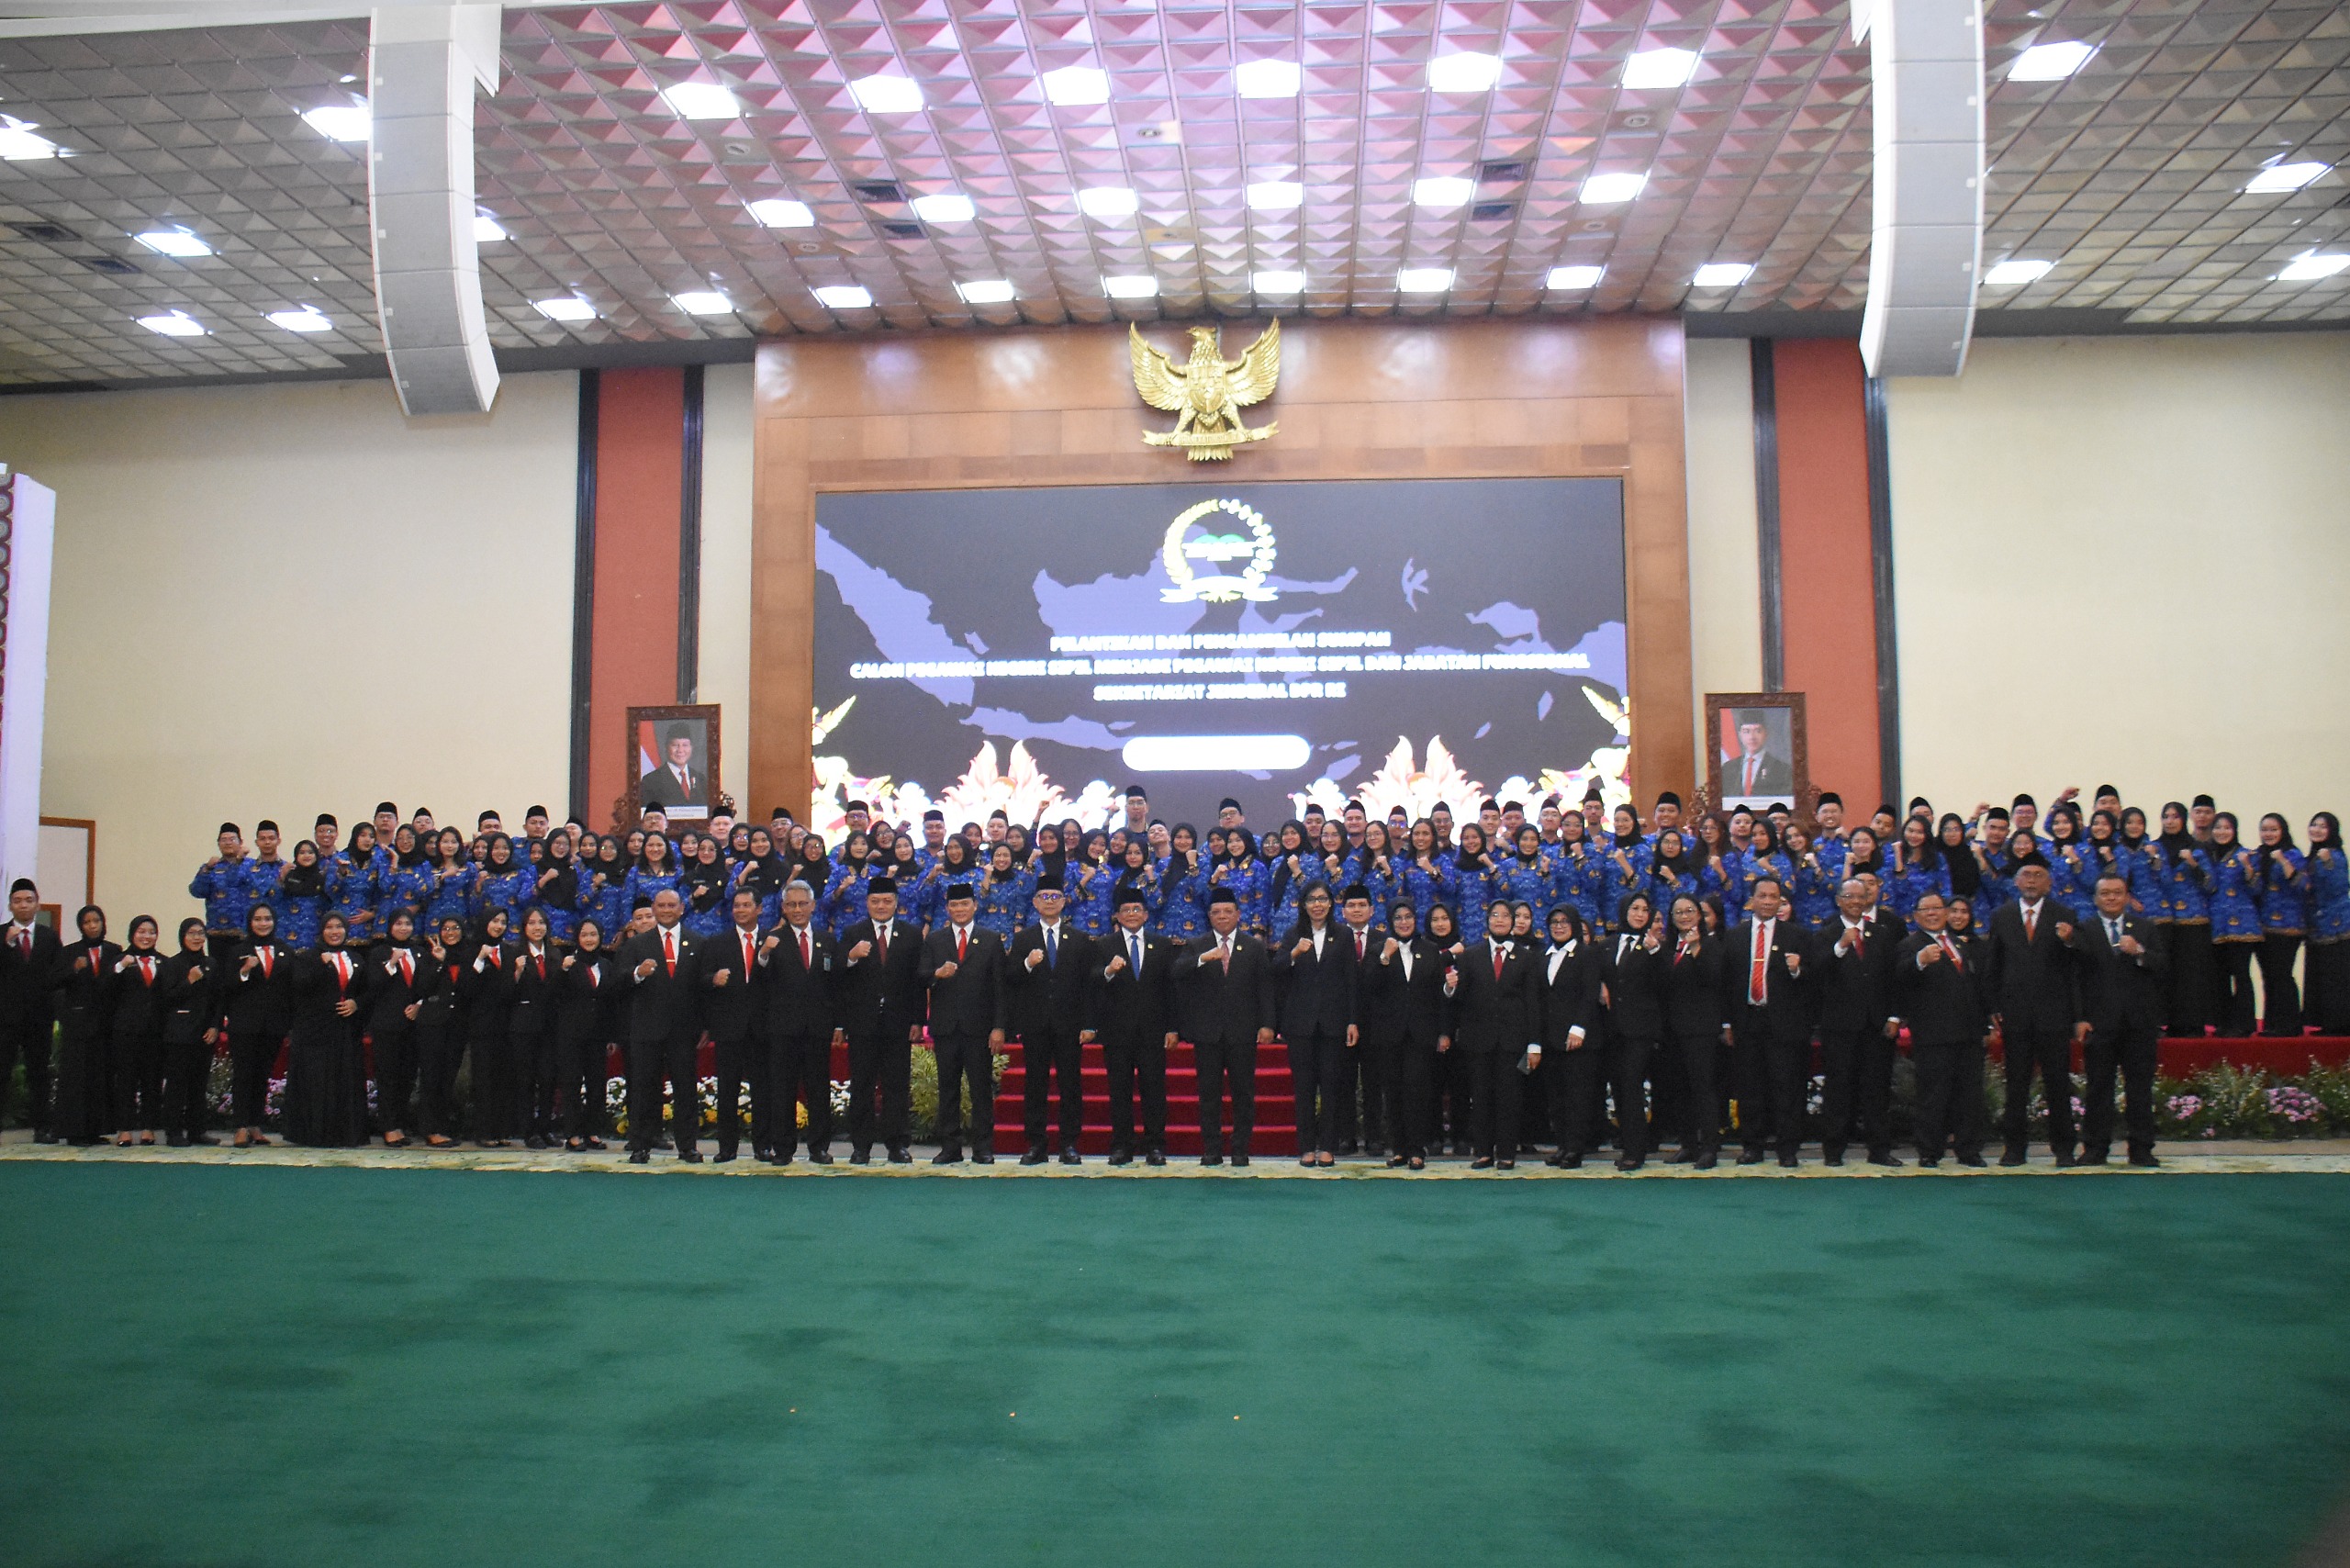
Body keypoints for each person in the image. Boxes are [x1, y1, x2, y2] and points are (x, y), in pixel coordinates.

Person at [1982, 860, 2086, 1166]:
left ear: (2049, 883)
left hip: (2054, 1016)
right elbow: (1993, 966)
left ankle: (2064, 1149)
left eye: (2038, 876)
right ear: (2015, 882)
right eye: (2026, 875)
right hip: (2015, 1015)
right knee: (2016, 1084)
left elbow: (2075, 968)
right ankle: (2014, 1149)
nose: (2031, 881)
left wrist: (2070, 939)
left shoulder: (2064, 915)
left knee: (2057, 1083)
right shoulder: (2002, 916)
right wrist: (1993, 1007)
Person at [2074, 874, 2166, 1167]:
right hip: (2099, 1023)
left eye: (2117, 893)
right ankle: (2095, 1148)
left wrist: (2138, 951)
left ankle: (2141, 1148)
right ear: (2095, 898)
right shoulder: (2084, 930)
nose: (2111, 898)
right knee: (2099, 1087)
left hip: (2139, 1023)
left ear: (2127, 897)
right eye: (2105, 893)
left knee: (2139, 1088)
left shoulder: (2144, 928)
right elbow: (2076, 978)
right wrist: (2079, 1018)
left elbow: (2163, 966)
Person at [1181, 888, 1275, 1166]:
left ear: (1238, 915)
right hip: (1207, 1032)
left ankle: (1240, 1149)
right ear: (1209, 916)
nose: (1222, 916)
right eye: (1216, 912)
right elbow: (1177, 973)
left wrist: (1267, 1024)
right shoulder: (1197, 944)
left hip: (1242, 1031)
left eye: (1227, 912)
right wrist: (1201, 960)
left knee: (1243, 1093)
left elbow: (1265, 989)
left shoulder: (1254, 946)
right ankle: (1211, 1149)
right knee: (1209, 1094)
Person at [835, 876, 926, 1164]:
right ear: (867, 903)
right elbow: (839, 977)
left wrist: (917, 1021)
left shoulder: (911, 934)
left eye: (887, 901)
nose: (881, 905)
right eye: (875, 901)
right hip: (862, 1023)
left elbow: (917, 982)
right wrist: (850, 957)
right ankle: (861, 1146)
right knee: (861, 1085)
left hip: (898, 1024)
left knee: (896, 1086)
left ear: (896, 904)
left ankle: (897, 1144)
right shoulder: (853, 932)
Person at [1722, 878, 1812, 1166]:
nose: (1769, 901)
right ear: (1752, 900)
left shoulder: (1796, 935)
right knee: (1750, 1087)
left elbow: (1813, 982)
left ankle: (1787, 1149)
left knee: (1785, 1087)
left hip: (1783, 1024)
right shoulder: (1735, 935)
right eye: (1763, 896)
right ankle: (1752, 1147)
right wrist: (1727, 1023)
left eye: (1774, 897)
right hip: (1747, 1021)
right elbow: (1727, 982)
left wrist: (1798, 971)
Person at [1896, 892, 1989, 1168]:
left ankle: (1969, 1149)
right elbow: (1899, 977)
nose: (1934, 913)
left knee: (1970, 1094)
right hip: (1934, 1034)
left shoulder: (1963, 943)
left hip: (1969, 1032)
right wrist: (1920, 961)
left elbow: (1978, 985)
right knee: (1933, 1094)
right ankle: (1929, 1150)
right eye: (1927, 909)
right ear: (1916, 915)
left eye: (1938, 908)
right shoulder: (1909, 945)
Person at [1816, 878, 1902, 1167]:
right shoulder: (1826, 933)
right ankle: (1833, 1152)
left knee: (1877, 1090)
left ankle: (1879, 1151)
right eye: (1849, 896)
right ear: (1838, 900)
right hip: (1839, 1026)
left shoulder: (1883, 934)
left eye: (1861, 896)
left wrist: (1893, 1016)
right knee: (1839, 1089)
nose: (1855, 901)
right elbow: (1817, 973)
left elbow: (1894, 978)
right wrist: (1841, 946)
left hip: (1877, 1026)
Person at [1006, 882, 1093, 1165]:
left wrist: (1088, 1023)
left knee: (1070, 1085)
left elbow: (1088, 985)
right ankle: (1037, 1144)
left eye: (1055, 896)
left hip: (1069, 1024)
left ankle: (1069, 1144)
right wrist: (1028, 964)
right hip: (1035, 1024)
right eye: (1044, 897)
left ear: (1064, 901)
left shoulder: (1079, 939)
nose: (1050, 901)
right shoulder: (1023, 939)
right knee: (1035, 1084)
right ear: (1034, 902)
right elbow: (1011, 980)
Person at [1446, 896, 1537, 1170]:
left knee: (1509, 1098)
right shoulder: (1471, 955)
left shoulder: (1526, 957)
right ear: (1487, 921)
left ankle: (1507, 1152)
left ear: (1514, 922)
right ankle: (1483, 1151)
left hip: (1512, 1039)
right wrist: (1449, 987)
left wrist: (1534, 1044)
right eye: (1495, 915)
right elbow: (1459, 997)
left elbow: (1532, 1002)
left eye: (1506, 915)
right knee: (1481, 1096)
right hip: (1478, 1039)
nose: (1500, 919)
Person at [617, 889, 707, 1164]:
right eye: (661, 905)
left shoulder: (698, 942)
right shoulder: (636, 945)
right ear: (654, 909)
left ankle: (687, 1146)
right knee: (644, 1088)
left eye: (672, 905)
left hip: (683, 1030)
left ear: (681, 908)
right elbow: (618, 982)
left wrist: (705, 1026)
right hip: (647, 1028)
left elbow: (703, 988)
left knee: (685, 1089)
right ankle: (640, 1145)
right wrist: (637, 974)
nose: (666, 910)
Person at [921, 881, 1008, 1164]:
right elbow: (921, 976)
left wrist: (998, 1027)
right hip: (946, 1028)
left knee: (980, 1089)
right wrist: (937, 973)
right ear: (947, 909)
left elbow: (999, 986)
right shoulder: (935, 940)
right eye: (954, 905)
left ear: (975, 906)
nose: (959, 909)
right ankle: (950, 1147)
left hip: (979, 1028)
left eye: (964, 904)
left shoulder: (991, 938)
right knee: (948, 1089)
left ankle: (983, 1147)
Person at [757, 879, 843, 1164]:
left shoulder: (827, 940)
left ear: (813, 906)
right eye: (791, 904)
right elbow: (761, 982)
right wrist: (764, 954)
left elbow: (835, 988)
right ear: (783, 908)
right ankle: (783, 1149)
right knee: (782, 1089)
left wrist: (838, 1025)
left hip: (818, 1028)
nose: (797, 909)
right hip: (783, 1029)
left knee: (819, 1090)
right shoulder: (771, 940)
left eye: (802, 904)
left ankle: (819, 1147)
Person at [1096, 887, 1178, 1166]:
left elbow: (1171, 989)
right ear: (1116, 916)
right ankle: (1122, 1146)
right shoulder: (1104, 945)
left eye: (1136, 910)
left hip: (1153, 1031)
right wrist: (1109, 971)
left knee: (1154, 1089)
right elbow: (1093, 982)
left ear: (1145, 914)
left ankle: (1155, 1145)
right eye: (1125, 910)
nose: (1131, 915)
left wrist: (1172, 1027)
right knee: (1119, 1090)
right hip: (1117, 1031)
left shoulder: (1163, 944)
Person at [1274, 881, 1354, 1167]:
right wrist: (1294, 954)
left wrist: (1352, 1020)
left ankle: (1328, 1147)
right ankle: (1307, 1147)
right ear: (1303, 904)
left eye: (1323, 899)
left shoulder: (1343, 935)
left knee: (1332, 1087)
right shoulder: (1292, 934)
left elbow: (1351, 980)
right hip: (1300, 1025)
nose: (1317, 904)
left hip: (1334, 1023)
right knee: (1304, 1088)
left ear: (1331, 903)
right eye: (1311, 899)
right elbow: (1277, 970)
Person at [1373, 900, 1449, 1170]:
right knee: (1392, 1092)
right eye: (1398, 918)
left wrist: (1443, 1032)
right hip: (1388, 1034)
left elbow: (1439, 995)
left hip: (1421, 1033)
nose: (1403, 922)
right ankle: (1399, 1149)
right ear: (1390, 922)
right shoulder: (1379, 950)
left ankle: (1418, 1149)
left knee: (1417, 1092)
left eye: (1408, 917)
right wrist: (1385, 957)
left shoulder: (1429, 950)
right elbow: (1369, 987)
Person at [282, 914, 370, 1148]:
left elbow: (367, 990)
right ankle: (315, 1135)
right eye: (329, 927)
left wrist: (356, 1003)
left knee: (345, 1080)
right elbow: (300, 986)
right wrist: (321, 965)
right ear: (321, 931)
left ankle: (347, 1134)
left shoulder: (356, 957)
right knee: (318, 1082)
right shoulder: (307, 957)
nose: (335, 931)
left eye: (339, 927)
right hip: (315, 1031)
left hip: (346, 1030)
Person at [700, 888, 770, 1163]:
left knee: (764, 1091)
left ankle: (763, 1146)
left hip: (764, 1029)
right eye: (736, 906)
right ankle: (727, 1147)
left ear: (759, 909)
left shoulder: (773, 940)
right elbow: (701, 980)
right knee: (727, 1090)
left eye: (746, 905)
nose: (740, 910)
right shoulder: (717, 942)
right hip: (729, 1028)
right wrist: (712, 979)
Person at [1653, 891, 1720, 1168]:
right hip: (1672, 1031)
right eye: (1678, 912)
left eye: (1689, 911)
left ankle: (1710, 1148)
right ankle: (1688, 1145)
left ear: (1699, 915)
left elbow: (1714, 980)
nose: (1683, 916)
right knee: (1679, 1090)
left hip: (1701, 1030)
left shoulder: (1712, 945)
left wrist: (1696, 950)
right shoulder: (1668, 948)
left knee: (1703, 1089)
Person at [1535, 905, 1604, 1168]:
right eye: (1554, 921)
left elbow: (1590, 994)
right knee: (1556, 1097)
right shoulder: (1544, 956)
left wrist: (1579, 1028)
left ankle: (1576, 1149)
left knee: (1577, 1096)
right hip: (1551, 1039)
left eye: (1564, 921)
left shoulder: (1586, 954)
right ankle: (1562, 1146)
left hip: (1579, 1039)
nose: (1559, 926)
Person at [225, 904, 295, 1148]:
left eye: (267, 919)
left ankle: (256, 1125)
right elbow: (226, 988)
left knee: (262, 1076)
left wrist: (289, 1023)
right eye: (257, 919)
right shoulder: (238, 952)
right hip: (244, 1024)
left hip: (273, 1025)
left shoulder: (286, 951)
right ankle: (241, 1126)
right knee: (243, 1075)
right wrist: (244, 971)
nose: (263, 923)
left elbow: (290, 991)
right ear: (250, 922)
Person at [0, 879, 63, 1140]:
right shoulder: (1, 934)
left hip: (39, 1018)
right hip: (5, 1018)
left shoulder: (49, 937)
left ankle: (42, 1127)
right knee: (2, 1072)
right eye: (18, 901)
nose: (23, 906)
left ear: (37, 904)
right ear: (10, 906)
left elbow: (56, 977)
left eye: (28, 900)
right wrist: (7, 946)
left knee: (39, 1073)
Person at [53, 906, 118, 1146]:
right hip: (78, 1025)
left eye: (96, 920)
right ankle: (75, 1131)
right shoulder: (70, 952)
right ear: (81, 926)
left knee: (100, 1076)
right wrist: (74, 969)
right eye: (87, 922)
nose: (92, 925)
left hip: (104, 1024)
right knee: (77, 1078)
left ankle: (96, 1129)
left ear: (103, 922)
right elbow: (54, 981)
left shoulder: (114, 950)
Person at [102, 915, 166, 1146]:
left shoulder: (164, 962)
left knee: (152, 1080)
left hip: (155, 1032)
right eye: (141, 931)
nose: (146, 936)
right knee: (126, 1081)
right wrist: (120, 967)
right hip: (126, 1031)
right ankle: (125, 1130)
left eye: (151, 932)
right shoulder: (119, 960)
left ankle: (149, 1128)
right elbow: (105, 990)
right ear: (132, 934)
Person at [365, 911, 426, 1148]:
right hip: (386, 1024)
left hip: (414, 1024)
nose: (403, 928)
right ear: (390, 926)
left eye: (408, 924)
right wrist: (391, 963)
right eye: (399, 924)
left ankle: (400, 1123)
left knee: (407, 1076)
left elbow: (427, 984)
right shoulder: (378, 953)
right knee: (388, 1076)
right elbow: (373, 985)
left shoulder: (420, 952)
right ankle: (388, 1126)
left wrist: (419, 1005)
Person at [555, 918, 615, 1152]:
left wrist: (611, 1036)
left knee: (596, 1084)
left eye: (593, 934)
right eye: (584, 935)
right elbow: (555, 994)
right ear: (577, 939)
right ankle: (572, 1134)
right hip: (571, 1034)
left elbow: (611, 1002)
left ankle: (592, 1132)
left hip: (598, 1035)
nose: (589, 939)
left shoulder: (606, 965)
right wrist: (563, 971)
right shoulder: (569, 963)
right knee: (571, 1084)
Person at [156, 917, 217, 1147]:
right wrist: (189, 981)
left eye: (200, 933)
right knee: (177, 1085)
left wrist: (215, 1025)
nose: (197, 938)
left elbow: (216, 999)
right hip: (179, 1034)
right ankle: (173, 1132)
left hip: (204, 1033)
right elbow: (166, 999)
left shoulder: (211, 963)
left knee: (199, 1085)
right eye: (192, 933)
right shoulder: (172, 965)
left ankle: (197, 1131)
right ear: (183, 936)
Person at [506, 907, 563, 1149]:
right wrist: (516, 973)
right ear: (523, 927)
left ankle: (545, 1128)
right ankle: (529, 1131)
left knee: (548, 1078)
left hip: (549, 1025)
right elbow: (505, 993)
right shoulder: (514, 954)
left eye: (541, 922)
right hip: (523, 1024)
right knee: (526, 1079)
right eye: (531, 923)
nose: (537, 927)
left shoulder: (556, 954)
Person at [415, 915, 471, 1149]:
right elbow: (422, 987)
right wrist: (439, 963)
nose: (450, 933)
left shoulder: (469, 956)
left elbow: (469, 988)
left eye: (455, 928)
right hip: (432, 1025)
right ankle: (429, 1129)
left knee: (449, 1077)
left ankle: (444, 1124)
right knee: (431, 1076)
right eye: (445, 929)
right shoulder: (430, 957)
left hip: (457, 1025)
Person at [2252, 813, 2306, 1037]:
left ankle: (2290, 1024)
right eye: (2265, 830)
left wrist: (2283, 861)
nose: (2269, 834)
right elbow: (2254, 889)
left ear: (2283, 831)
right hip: (2264, 926)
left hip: (2288, 926)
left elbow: (2302, 885)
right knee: (2268, 976)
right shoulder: (2259, 855)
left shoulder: (2293, 854)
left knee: (2282, 974)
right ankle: (2273, 1024)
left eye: (2273, 830)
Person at [1723, 710, 1792, 797]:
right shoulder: (1728, 768)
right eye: (1746, 731)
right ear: (1740, 735)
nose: (1752, 737)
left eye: (1758, 731)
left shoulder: (1782, 769)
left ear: (1766, 733)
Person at [640, 722, 707, 812]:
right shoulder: (651, 780)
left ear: (691, 748)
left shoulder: (701, 779)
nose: (680, 750)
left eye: (685, 745)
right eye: (675, 745)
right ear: (666, 747)